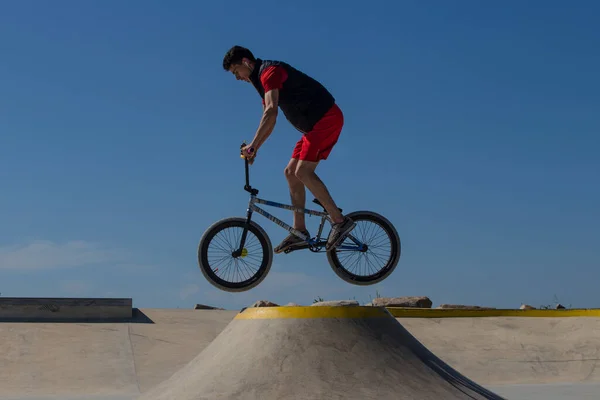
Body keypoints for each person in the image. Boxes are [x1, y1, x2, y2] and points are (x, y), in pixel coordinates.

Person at [222, 45, 355, 253]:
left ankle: (339, 221)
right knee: (291, 173)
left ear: (246, 62)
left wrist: (253, 146)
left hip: (326, 119)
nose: (237, 78)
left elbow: (271, 113)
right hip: (312, 128)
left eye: (235, 71)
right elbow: (269, 120)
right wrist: (255, 148)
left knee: (303, 171)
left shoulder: (269, 73)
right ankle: (300, 231)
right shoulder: (261, 82)